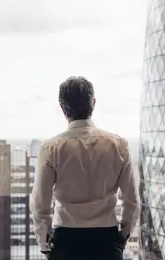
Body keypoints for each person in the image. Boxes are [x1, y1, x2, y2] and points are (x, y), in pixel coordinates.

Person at [31, 76, 141, 260]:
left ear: (62, 108)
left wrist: (44, 243)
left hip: (66, 243)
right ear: (94, 103)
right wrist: (122, 237)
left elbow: (40, 204)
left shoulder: (51, 148)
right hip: (106, 243)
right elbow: (132, 201)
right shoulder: (118, 145)